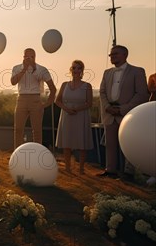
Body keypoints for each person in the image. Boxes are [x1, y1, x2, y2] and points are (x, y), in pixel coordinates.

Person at [98, 45, 149, 178]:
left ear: (125, 55)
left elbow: (141, 94)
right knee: (110, 143)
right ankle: (110, 169)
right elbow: (102, 92)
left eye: (115, 54)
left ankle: (129, 171)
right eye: (111, 54)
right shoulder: (107, 73)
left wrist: (123, 109)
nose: (112, 56)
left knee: (128, 143)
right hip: (110, 113)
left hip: (128, 114)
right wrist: (107, 106)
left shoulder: (137, 71)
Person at [10, 48, 57, 148]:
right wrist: (24, 69)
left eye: (32, 57)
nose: (29, 59)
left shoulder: (41, 69)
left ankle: (37, 154)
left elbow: (53, 88)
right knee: (18, 129)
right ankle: (17, 154)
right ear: (23, 57)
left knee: (37, 130)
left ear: (35, 57)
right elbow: (13, 82)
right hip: (21, 99)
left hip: (35, 99)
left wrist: (46, 104)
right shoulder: (17, 68)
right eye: (27, 56)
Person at [55, 60, 93, 174]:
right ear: (71, 70)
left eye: (79, 68)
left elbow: (89, 103)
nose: (76, 70)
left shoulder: (87, 86)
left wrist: (76, 109)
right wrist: (66, 109)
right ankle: (67, 168)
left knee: (81, 143)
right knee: (66, 142)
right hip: (66, 115)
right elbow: (57, 101)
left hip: (81, 115)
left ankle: (81, 168)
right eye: (74, 68)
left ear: (82, 70)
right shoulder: (64, 85)